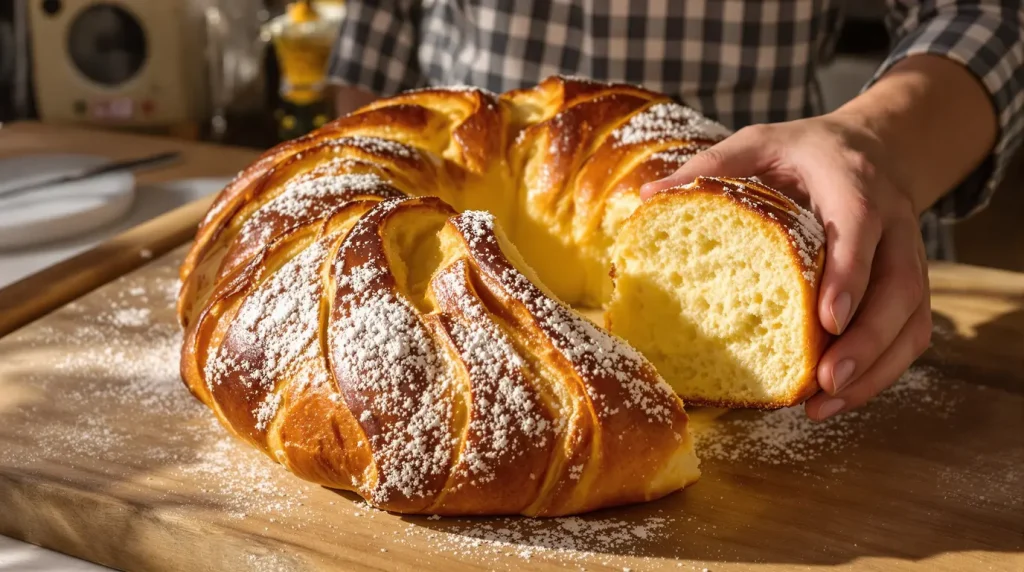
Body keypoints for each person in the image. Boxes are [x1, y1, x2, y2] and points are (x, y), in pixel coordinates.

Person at [326, 1, 1024, 421]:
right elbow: (378, 27)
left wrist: (879, 145)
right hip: (447, 153)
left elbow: (986, 13)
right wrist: (358, 232)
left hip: (785, 205)